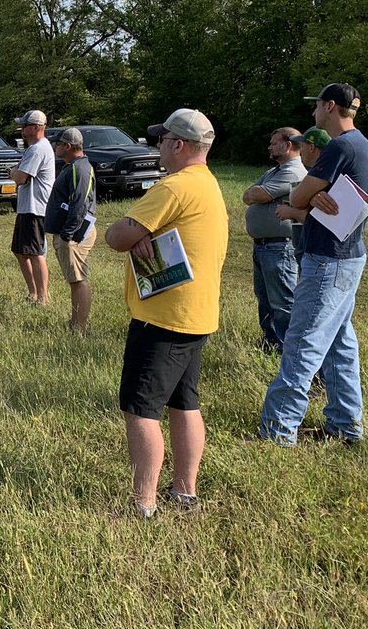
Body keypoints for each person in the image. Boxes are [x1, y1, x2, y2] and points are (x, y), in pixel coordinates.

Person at [105, 109, 227, 518]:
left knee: (140, 407)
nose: (157, 145)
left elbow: (118, 236)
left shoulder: (173, 187)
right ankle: (184, 492)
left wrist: (140, 232)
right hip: (198, 313)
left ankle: (143, 503)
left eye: (162, 139)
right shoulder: (208, 184)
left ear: (178, 145)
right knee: (184, 402)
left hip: (163, 316)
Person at [259, 83, 368, 447]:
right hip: (348, 256)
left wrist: (310, 195)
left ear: (330, 106)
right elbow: (313, 197)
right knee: (340, 343)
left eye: (316, 108)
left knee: (302, 342)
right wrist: (315, 196)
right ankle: (344, 424)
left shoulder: (340, 145)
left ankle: (278, 432)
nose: (313, 114)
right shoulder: (362, 144)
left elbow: (296, 194)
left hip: (328, 260)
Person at [243, 128, 307, 353]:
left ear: (288, 145)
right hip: (264, 246)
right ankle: (271, 342)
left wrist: (257, 194)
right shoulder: (274, 171)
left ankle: (289, 349)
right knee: (265, 299)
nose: (269, 147)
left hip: (279, 247)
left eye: (273, 143)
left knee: (282, 302)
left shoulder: (294, 171)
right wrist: (256, 193)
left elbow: (257, 195)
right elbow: (247, 195)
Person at [43, 128, 97, 330]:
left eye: (58, 143)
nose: (55, 147)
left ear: (68, 146)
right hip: (69, 233)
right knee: (74, 279)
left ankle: (79, 326)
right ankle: (76, 323)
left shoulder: (79, 169)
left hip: (73, 235)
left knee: (78, 279)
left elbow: (80, 203)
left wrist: (67, 234)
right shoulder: (72, 166)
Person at [11, 109, 55, 304]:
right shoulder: (34, 148)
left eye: (25, 125)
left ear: (37, 127)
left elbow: (21, 178)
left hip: (35, 208)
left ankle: (42, 297)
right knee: (20, 251)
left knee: (35, 253)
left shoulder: (38, 149)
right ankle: (33, 293)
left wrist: (13, 172)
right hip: (27, 207)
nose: (22, 129)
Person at [274, 128, 331, 256]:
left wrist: (291, 212)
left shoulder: (321, 179)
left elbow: (322, 222)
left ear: (311, 147)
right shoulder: (314, 174)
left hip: (315, 254)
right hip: (305, 250)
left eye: (302, 145)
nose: (300, 150)